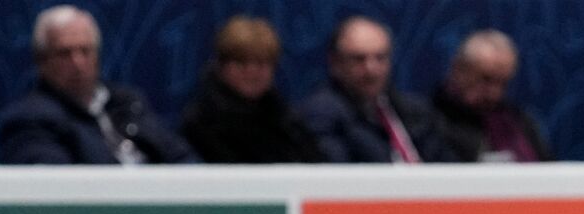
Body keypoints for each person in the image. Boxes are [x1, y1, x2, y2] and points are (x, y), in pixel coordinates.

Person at [0, 5, 196, 164]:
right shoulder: (29, 119)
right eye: (65, 53)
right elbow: (57, 190)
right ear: (42, 61)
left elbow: (183, 160)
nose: (78, 63)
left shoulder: (128, 103)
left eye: (85, 51)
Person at [299, 16, 457, 163]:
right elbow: (339, 177)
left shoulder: (413, 110)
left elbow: (448, 167)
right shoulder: (322, 113)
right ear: (335, 63)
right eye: (358, 59)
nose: (371, 69)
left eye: (380, 58)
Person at [179, 16, 323, 164]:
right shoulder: (201, 122)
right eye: (241, 62)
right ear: (221, 66)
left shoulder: (285, 118)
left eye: (261, 63)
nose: (252, 72)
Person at [433, 29, 553, 162]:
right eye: (486, 79)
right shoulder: (429, 124)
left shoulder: (520, 123)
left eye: (503, 83)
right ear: (459, 69)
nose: (494, 93)